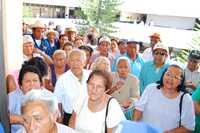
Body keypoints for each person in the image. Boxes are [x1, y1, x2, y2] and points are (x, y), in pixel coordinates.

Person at [133, 65, 195, 132]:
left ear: (180, 81)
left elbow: (189, 127)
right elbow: (139, 109)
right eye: (168, 74)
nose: (170, 79)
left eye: (175, 77)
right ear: (163, 75)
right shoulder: (151, 88)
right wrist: (133, 127)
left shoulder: (185, 99)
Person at [9, 65, 51, 133]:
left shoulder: (48, 96)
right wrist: (23, 119)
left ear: (40, 83)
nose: (32, 84)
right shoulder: (11, 97)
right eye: (28, 81)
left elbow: (55, 117)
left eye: (35, 80)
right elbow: (3, 116)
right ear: (20, 85)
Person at [54, 49, 91, 125]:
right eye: (72, 61)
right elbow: (58, 101)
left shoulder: (91, 75)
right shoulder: (62, 79)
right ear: (68, 62)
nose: (75, 64)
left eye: (78, 60)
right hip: (69, 117)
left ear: (84, 62)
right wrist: (60, 118)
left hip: (89, 115)